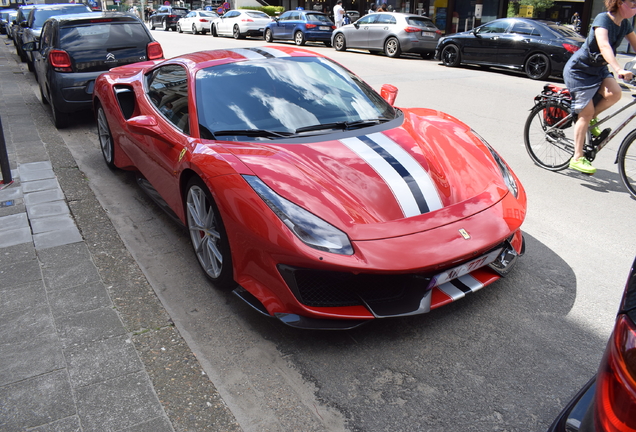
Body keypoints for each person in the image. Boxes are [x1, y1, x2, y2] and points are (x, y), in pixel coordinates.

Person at [563, 0, 636, 174]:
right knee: (585, 114)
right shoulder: (603, 19)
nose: (634, 7)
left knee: (615, 93)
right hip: (579, 71)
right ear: (619, 3)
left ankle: (591, 118)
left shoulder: (624, 24)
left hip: (598, 69)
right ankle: (577, 158)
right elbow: (603, 45)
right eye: (632, 4)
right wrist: (618, 68)